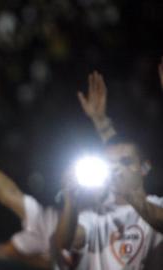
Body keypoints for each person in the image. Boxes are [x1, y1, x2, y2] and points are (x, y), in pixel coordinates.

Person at [0, 70, 119, 269]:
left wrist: (102, 123)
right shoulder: (48, 221)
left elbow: (126, 164)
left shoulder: (119, 209)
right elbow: (7, 194)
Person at [53, 73, 163, 269]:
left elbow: (158, 220)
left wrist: (132, 196)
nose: (117, 169)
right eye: (110, 164)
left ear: (145, 168)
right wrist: (70, 199)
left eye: (126, 162)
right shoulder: (98, 216)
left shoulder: (157, 205)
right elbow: (65, 242)